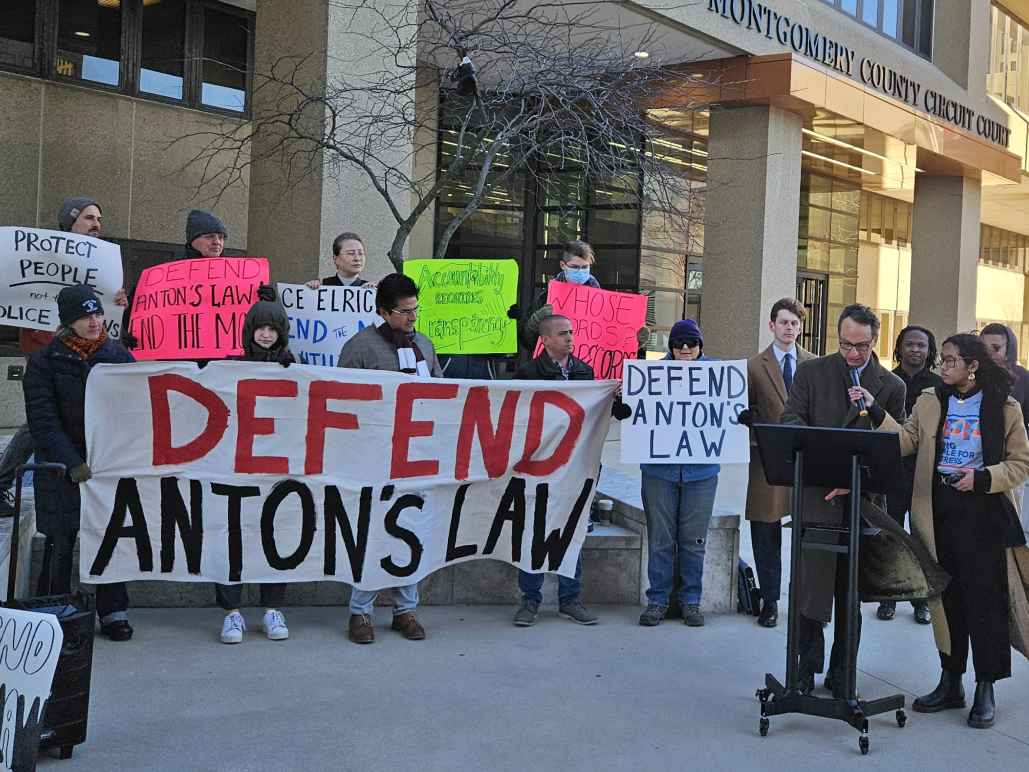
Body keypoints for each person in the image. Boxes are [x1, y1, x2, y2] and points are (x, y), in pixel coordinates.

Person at [869, 334, 1029, 729]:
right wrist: (874, 411)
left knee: (985, 603)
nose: (943, 366)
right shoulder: (929, 401)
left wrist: (981, 478)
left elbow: (1020, 463)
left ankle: (985, 686)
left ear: (972, 365)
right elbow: (905, 441)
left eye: (952, 360)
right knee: (946, 598)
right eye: (943, 359)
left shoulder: (1003, 407)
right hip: (938, 511)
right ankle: (950, 679)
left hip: (984, 513)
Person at [780, 304, 906, 697]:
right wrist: (828, 464)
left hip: (861, 503)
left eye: (862, 346)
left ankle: (842, 672)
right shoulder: (812, 372)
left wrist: (854, 478)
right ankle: (805, 668)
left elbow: (893, 448)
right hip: (818, 497)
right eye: (846, 344)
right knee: (810, 592)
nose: (853, 353)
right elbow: (791, 422)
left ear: (875, 341)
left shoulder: (891, 385)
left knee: (851, 594)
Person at [0, 197, 127, 515]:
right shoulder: (39, 253)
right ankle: (3, 481)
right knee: (40, 421)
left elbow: (102, 312)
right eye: (88, 218)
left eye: (99, 218)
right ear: (70, 222)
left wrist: (119, 302)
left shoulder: (104, 263)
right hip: (47, 347)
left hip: (86, 353)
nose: (96, 223)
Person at [23, 285, 135, 640]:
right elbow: (43, 421)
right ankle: (52, 610)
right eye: (85, 316)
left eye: (97, 314)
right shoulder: (43, 362)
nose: (94, 321)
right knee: (61, 540)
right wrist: (73, 463)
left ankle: (113, 611)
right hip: (60, 468)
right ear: (69, 321)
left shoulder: (118, 356)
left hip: (107, 468)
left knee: (109, 538)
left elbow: (136, 408)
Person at [337, 273, 441, 643]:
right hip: (374, 459)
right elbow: (340, 405)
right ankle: (360, 612)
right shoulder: (360, 348)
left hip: (418, 459)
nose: (413, 317)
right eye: (405, 311)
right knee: (374, 534)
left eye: (416, 310)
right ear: (382, 311)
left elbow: (444, 397)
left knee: (412, 532)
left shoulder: (425, 345)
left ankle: (405, 609)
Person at [511, 314, 629, 627]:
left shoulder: (584, 372)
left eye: (572, 333)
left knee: (573, 529)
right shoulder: (528, 374)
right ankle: (530, 599)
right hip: (539, 468)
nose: (570, 338)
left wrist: (614, 397)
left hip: (576, 466)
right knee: (534, 531)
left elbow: (603, 413)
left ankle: (570, 598)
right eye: (563, 334)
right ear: (545, 340)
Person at [216, 288, 294, 645]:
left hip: (277, 468)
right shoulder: (228, 366)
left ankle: (272, 608)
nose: (266, 334)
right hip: (235, 468)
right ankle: (231, 612)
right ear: (250, 330)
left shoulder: (295, 369)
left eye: (273, 329)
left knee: (274, 538)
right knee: (231, 536)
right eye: (260, 328)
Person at [638, 319, 721, 628]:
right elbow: (639, 413)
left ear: (701, 346)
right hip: (660, 472)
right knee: (660, 539)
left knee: (694, 540)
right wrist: (627, 408)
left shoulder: (718, 376)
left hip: (701, 473)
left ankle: (690, 601)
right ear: (670, 346)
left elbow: (729, 410)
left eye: (691, 344)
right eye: (679, 344)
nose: (685, 349)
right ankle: (657, 601)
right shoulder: (651, 375)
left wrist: (740, 416)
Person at [744, 298, 815, 628]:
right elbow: (744, 411)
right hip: (766, 461)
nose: (790, 328)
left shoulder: (814, 365)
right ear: (772, 325)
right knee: (765, 532)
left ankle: (803, 600)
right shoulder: (753, 366)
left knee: (806, 533)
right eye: (784, 322)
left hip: (806, 461)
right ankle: (770, 600)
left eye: (795, 324)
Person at [877, 325, 942, 624]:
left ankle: (921, 600)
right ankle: (889, 597)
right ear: (900, 348)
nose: (916, 350)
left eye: (922, 345)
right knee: (891, 536)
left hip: (925, 473)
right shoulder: (887, 381)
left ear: (930, 352)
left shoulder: (939, 386)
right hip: (891, 471)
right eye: (910, 344)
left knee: (922, 538)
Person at [980, 322, 1029, 536]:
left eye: (996, 348)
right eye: (984, 348)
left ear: (1009, 349)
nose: (989, 354)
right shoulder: (971, 375)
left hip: (1008, 463)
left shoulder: (1023, 378)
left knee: (1007, 524)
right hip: (975, 461)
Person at [306, 232, 372, 288]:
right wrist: (309, 290)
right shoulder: (323, 286)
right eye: (351, 253)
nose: (357, 258)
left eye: (361, 253)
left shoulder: (368, 288)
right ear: (335, 259)